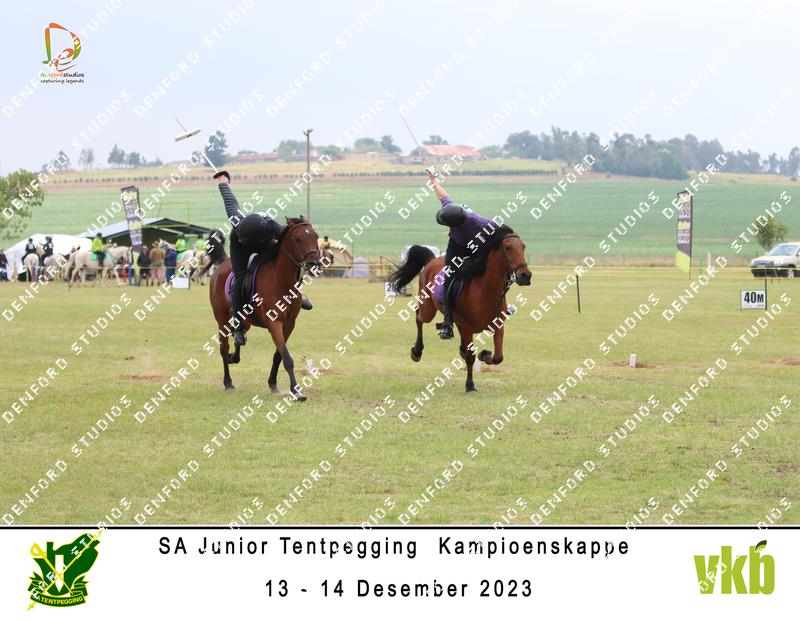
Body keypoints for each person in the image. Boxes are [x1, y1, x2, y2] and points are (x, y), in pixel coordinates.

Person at [214, 170, 312, 347]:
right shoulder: (237, 222)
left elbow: (292, 242)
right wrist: (223, 182)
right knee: (239, 281)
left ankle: (297, 295)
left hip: (265, 245)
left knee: (285, 263)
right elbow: (229, 199)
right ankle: (238, 326)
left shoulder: (273, 228)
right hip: (240, 250)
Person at [427, 167, 497, 340]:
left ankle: (500, 308)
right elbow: (442, 195)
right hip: (456, 247)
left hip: (477, 246)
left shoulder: (480, 222)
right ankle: (448, 322)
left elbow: (499, 231)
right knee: (449, 275)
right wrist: (434, 181)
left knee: (490, 269)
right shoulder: (449, 208)